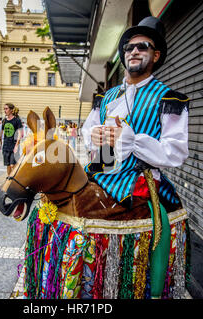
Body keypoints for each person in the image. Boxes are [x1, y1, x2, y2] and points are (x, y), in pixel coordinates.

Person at [81, 16, 190, 298]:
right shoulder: (107, 97)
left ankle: (152, 290)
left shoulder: (169, 99)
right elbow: (89, 130)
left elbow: (175, 152)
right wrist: (91, 136)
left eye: (143, 46)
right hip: (100, 171)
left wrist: (134, 141)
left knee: (160, 227)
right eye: (129, 48)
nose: (134, 52)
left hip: (141, 180)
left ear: (156, 55)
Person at [2, 103, 23, 176]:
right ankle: (9, 180)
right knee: (8, 165)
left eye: (6, 109)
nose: (5, 110)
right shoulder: (4, 120)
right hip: (6, 146)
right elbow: (3, 132)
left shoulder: (17, 120)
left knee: (12, 165)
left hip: (14, 145)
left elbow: (20, 134)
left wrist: (17, 145)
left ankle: (16, 179)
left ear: (11, 110)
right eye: (4, 109)